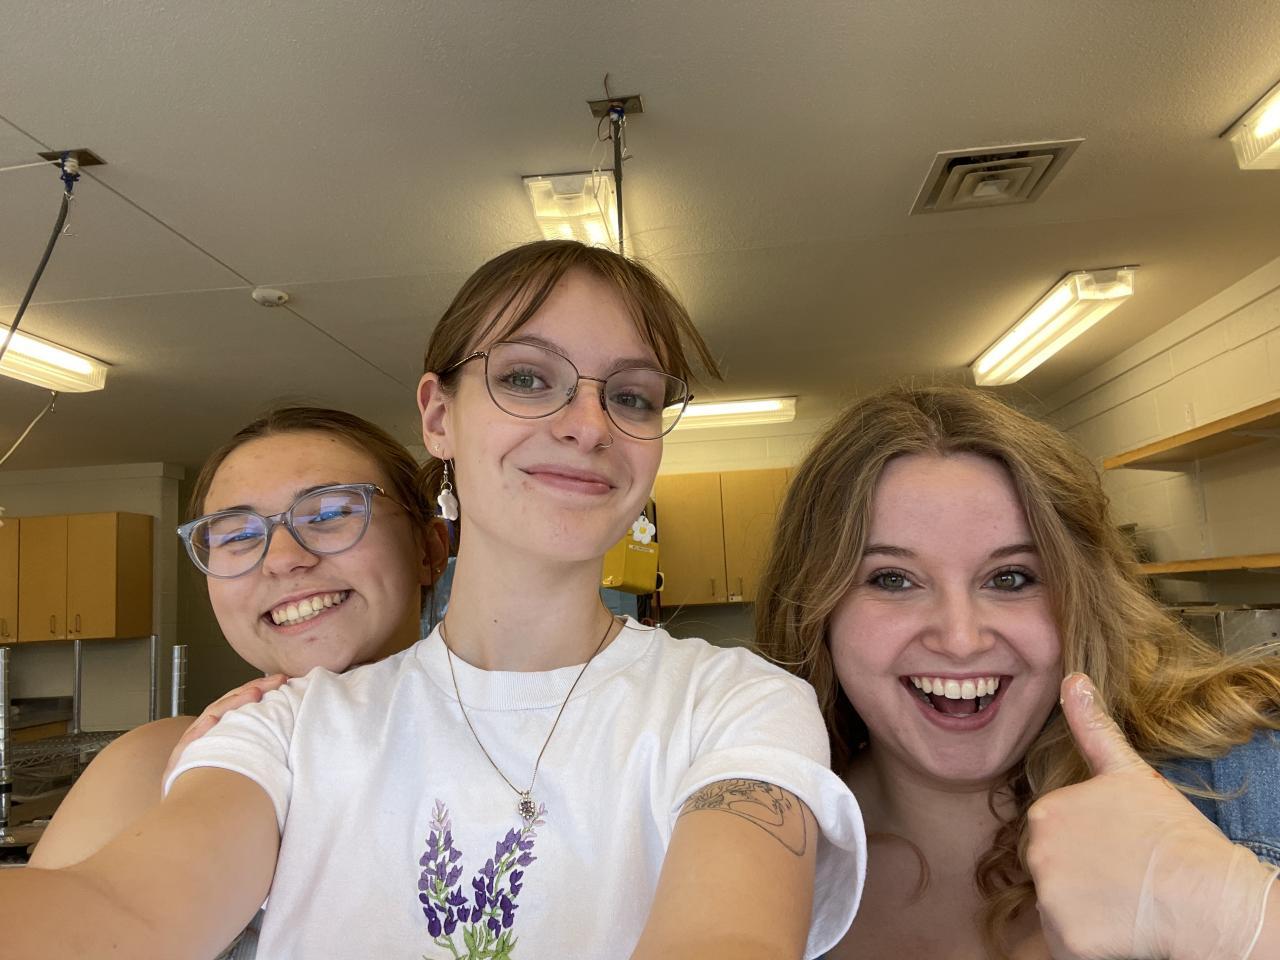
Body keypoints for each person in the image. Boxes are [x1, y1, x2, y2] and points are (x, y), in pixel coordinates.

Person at [3, 240, 865, 960]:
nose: (589, 424)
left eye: (633, 395)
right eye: (527, 378)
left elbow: (728, 938)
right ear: (438, 416)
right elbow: (121, 911)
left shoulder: (740, 704)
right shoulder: (284, 729)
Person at [756, 384, 1280, 960]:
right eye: (892, 579)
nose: (960, 640)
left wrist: (1245, 927)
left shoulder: (1244, 777)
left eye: (1010, 578)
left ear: (1082, 598)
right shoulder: (741, 835)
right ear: (815, 609)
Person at [28, 405, 451, 956]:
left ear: (429, 549)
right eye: (238, 536)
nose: (282, 559)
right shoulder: (149, 765)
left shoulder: (522, 748)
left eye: (329, 514)